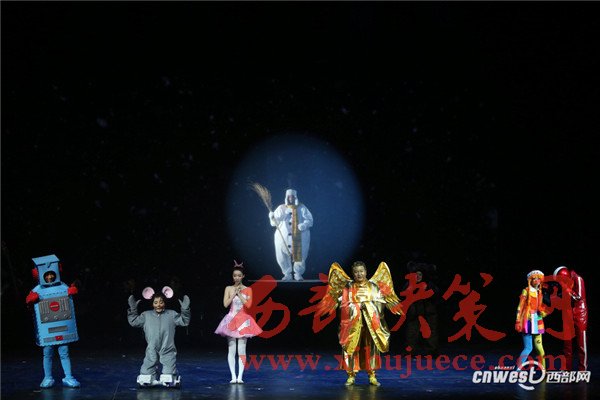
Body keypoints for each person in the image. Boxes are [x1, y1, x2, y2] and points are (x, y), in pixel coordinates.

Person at [318, 261, 403, 386]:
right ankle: (351, 375)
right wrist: (356, 307)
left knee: (371, 348)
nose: (359, 274)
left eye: (361, 271)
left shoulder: (373, 287)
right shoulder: (348, 287)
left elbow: (380, 304)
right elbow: (343, 306)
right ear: (353, 273)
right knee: (352, 347)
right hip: (353, 324)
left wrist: (368, 306)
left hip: (370, 324)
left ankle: (372, 374)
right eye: (356, 272)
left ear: (366, 272)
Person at [26, 254, 81, 388]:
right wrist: (31, 299)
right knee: (47, 353)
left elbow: (69, 299)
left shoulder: (62, 286)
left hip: (62, 327)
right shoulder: (37, 290)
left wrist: (72, 291)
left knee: (64, 352)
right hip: (47, 329)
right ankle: (48, 377)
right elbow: (29, 304)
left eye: (52, 274)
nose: (50, 277)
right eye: (47, 275)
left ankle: (68, 377)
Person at [128, 286, 191, 387]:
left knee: (168, 371)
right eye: (155, 302)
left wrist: (185, 310)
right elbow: (134, 322)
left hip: (167, 348)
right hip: (152, 347)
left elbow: (184, 321)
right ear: (152, 304)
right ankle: (148, 375)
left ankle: (170, 374)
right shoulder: (146, 315)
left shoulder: (171, 314)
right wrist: (133, 309)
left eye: (161, 302)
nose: (158, 305)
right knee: (147, 368)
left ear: (164, 302)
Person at [215, 261, 263, 383]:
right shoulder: (228, 288)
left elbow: (249, 305)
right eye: (235, 275)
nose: (237, 277)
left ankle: (240, 377)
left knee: (242, 350)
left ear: (243, 276)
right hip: (231, 319)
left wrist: (240, 294)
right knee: (231, 349)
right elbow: (225, 304)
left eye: (239, 275)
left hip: (243, 320)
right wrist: (233, 294)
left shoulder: (248, 289)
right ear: (233, 276)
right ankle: (233, 376)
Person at [268, 189, 313, 281]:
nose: (290, 198)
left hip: (299, 236)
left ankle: (298, 274)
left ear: (295, 197)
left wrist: (304, 225)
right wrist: (272, 217)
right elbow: (274, 223)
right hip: (282, 237)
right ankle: (287, 274)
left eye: (292, 196)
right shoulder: (281, 208)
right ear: (286, 197)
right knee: (282, 256)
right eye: (289, 197)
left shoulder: (302, 207)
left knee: (300, 255)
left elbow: (310, 220)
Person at [402, 262, 440, 357]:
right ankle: (410, 351)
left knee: (431, 332)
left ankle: (431, 351)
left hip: (428, 312)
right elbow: (403, 295)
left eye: (419, 274)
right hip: (414, 312)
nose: (417, 277)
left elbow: (436, 295)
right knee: (412, 332)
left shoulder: (429, 284)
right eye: (415, 275)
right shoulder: (409, 284)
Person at [553, 266, 588, 371]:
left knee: (581, 344)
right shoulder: (565, 283)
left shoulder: (578, 279)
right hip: (568, 313)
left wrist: (566, 288)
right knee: (567, 344)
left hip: (580, 313)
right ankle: (566, 369)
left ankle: (582, 370)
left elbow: (578, 297)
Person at [515, 269, 548, 369]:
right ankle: (517, 370)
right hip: (528, 322)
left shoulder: (540, 292)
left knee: (540, 349)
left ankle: (544, 371)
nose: (537, 280)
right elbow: (520, 307)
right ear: (530, 280)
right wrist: (518, 321)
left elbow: (541, 307)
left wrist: (543, 311)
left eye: (538, 278)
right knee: (528, 348)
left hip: (538, 321)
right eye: (534, 279)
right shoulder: (526, 291)